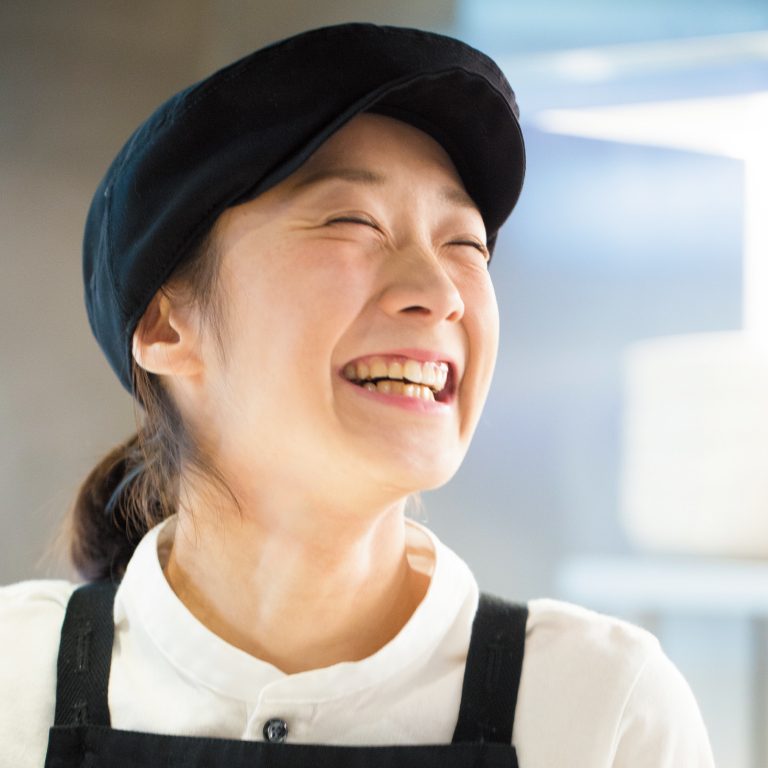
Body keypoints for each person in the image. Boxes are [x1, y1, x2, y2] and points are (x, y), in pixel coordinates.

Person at [0, 23, 713, 768]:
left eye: (465, 245)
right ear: (165, 324)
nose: (440, 295)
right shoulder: (13, 682)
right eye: (352, 222)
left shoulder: (604, 712)